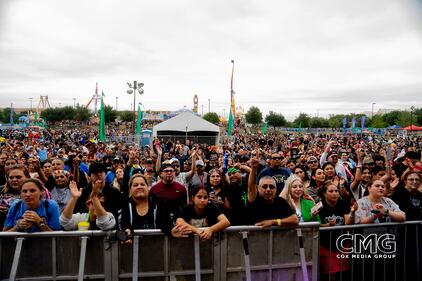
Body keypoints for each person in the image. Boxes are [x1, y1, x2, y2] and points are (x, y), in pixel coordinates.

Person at [248, 154, 298, 227]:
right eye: (264, 187)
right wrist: (254, 169)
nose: (268, 189)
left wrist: (273, 222)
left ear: (276, 189)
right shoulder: (254, 199)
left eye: (271, 187)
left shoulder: (280, 201)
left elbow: (295, 220)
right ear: (258, 188)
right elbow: (251, 186)